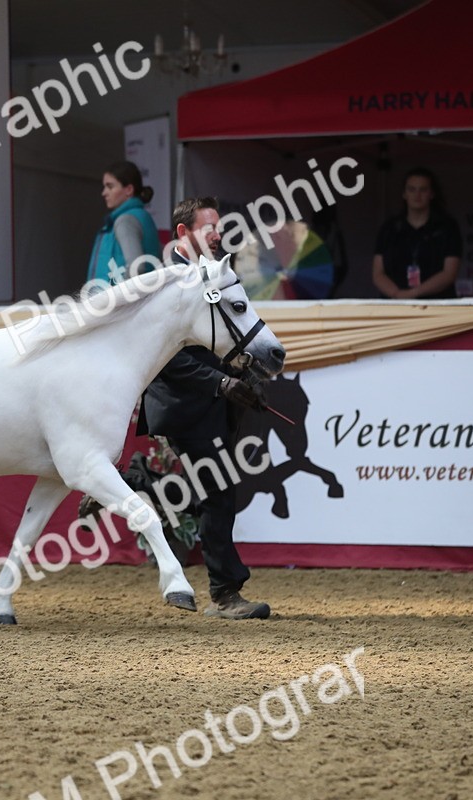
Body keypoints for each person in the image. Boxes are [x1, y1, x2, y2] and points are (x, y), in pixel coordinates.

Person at [139, 197, 271, 620]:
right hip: (180, 403)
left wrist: (244, 372)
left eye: (218, 226)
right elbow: (168, 358)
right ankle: (225, 593)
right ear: (183, 232)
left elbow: (224, 337)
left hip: (208, 402)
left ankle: (136, 481)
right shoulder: (165, 281)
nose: (217, 233)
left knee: (211, 492)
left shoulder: (213, 274)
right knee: (217, 492)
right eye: (208, 226)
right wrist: (221, 382)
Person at [372, 167, 462, 300]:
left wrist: (413, 293)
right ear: (404, 194)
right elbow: (378, 273)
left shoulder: (447, 227)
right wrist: (396, 294)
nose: (417, 195)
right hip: (394, 304)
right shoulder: (390, 228)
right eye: (412, 189)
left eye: (423, 190)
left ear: (432, 194)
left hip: (437, 303)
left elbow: (449, 273)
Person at [86, 161, 161, 284]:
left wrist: (118, 294)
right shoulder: (142, 216)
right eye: (104, 187)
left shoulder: (126, 220)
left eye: (110, 187)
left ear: (129, 190)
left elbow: (136, 267)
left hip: (118, 295)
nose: (104, 193)